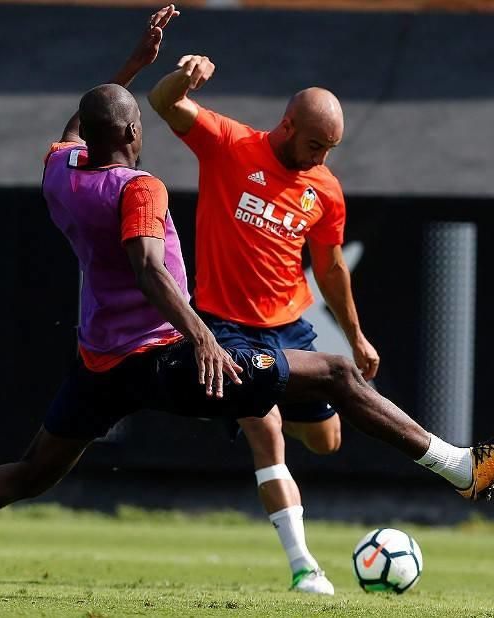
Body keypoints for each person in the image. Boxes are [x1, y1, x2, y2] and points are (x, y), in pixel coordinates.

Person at [0, 5, 494, 597]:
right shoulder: (140, 188)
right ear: (135, 138)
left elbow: (82, 122)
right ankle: (459, 467)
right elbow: (148, 267)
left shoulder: (61, 173)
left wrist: (133, 65)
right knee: (339, 374)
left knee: (31, 472)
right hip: (173, 357)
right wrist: (201, 337)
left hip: (97, 364)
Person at [148, 55, 376, 593]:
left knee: (325, 440)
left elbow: (331, 267)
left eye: (330, 150)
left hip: (290, 327)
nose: (321, 158)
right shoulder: (229, 144)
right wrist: (185, 78)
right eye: (316, 144)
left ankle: (244, 408)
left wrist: (356, 335)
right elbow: (163, 103)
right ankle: (304, 567)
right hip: (226, 326)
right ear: (289, 125)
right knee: (266, 430)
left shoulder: (325, 188)